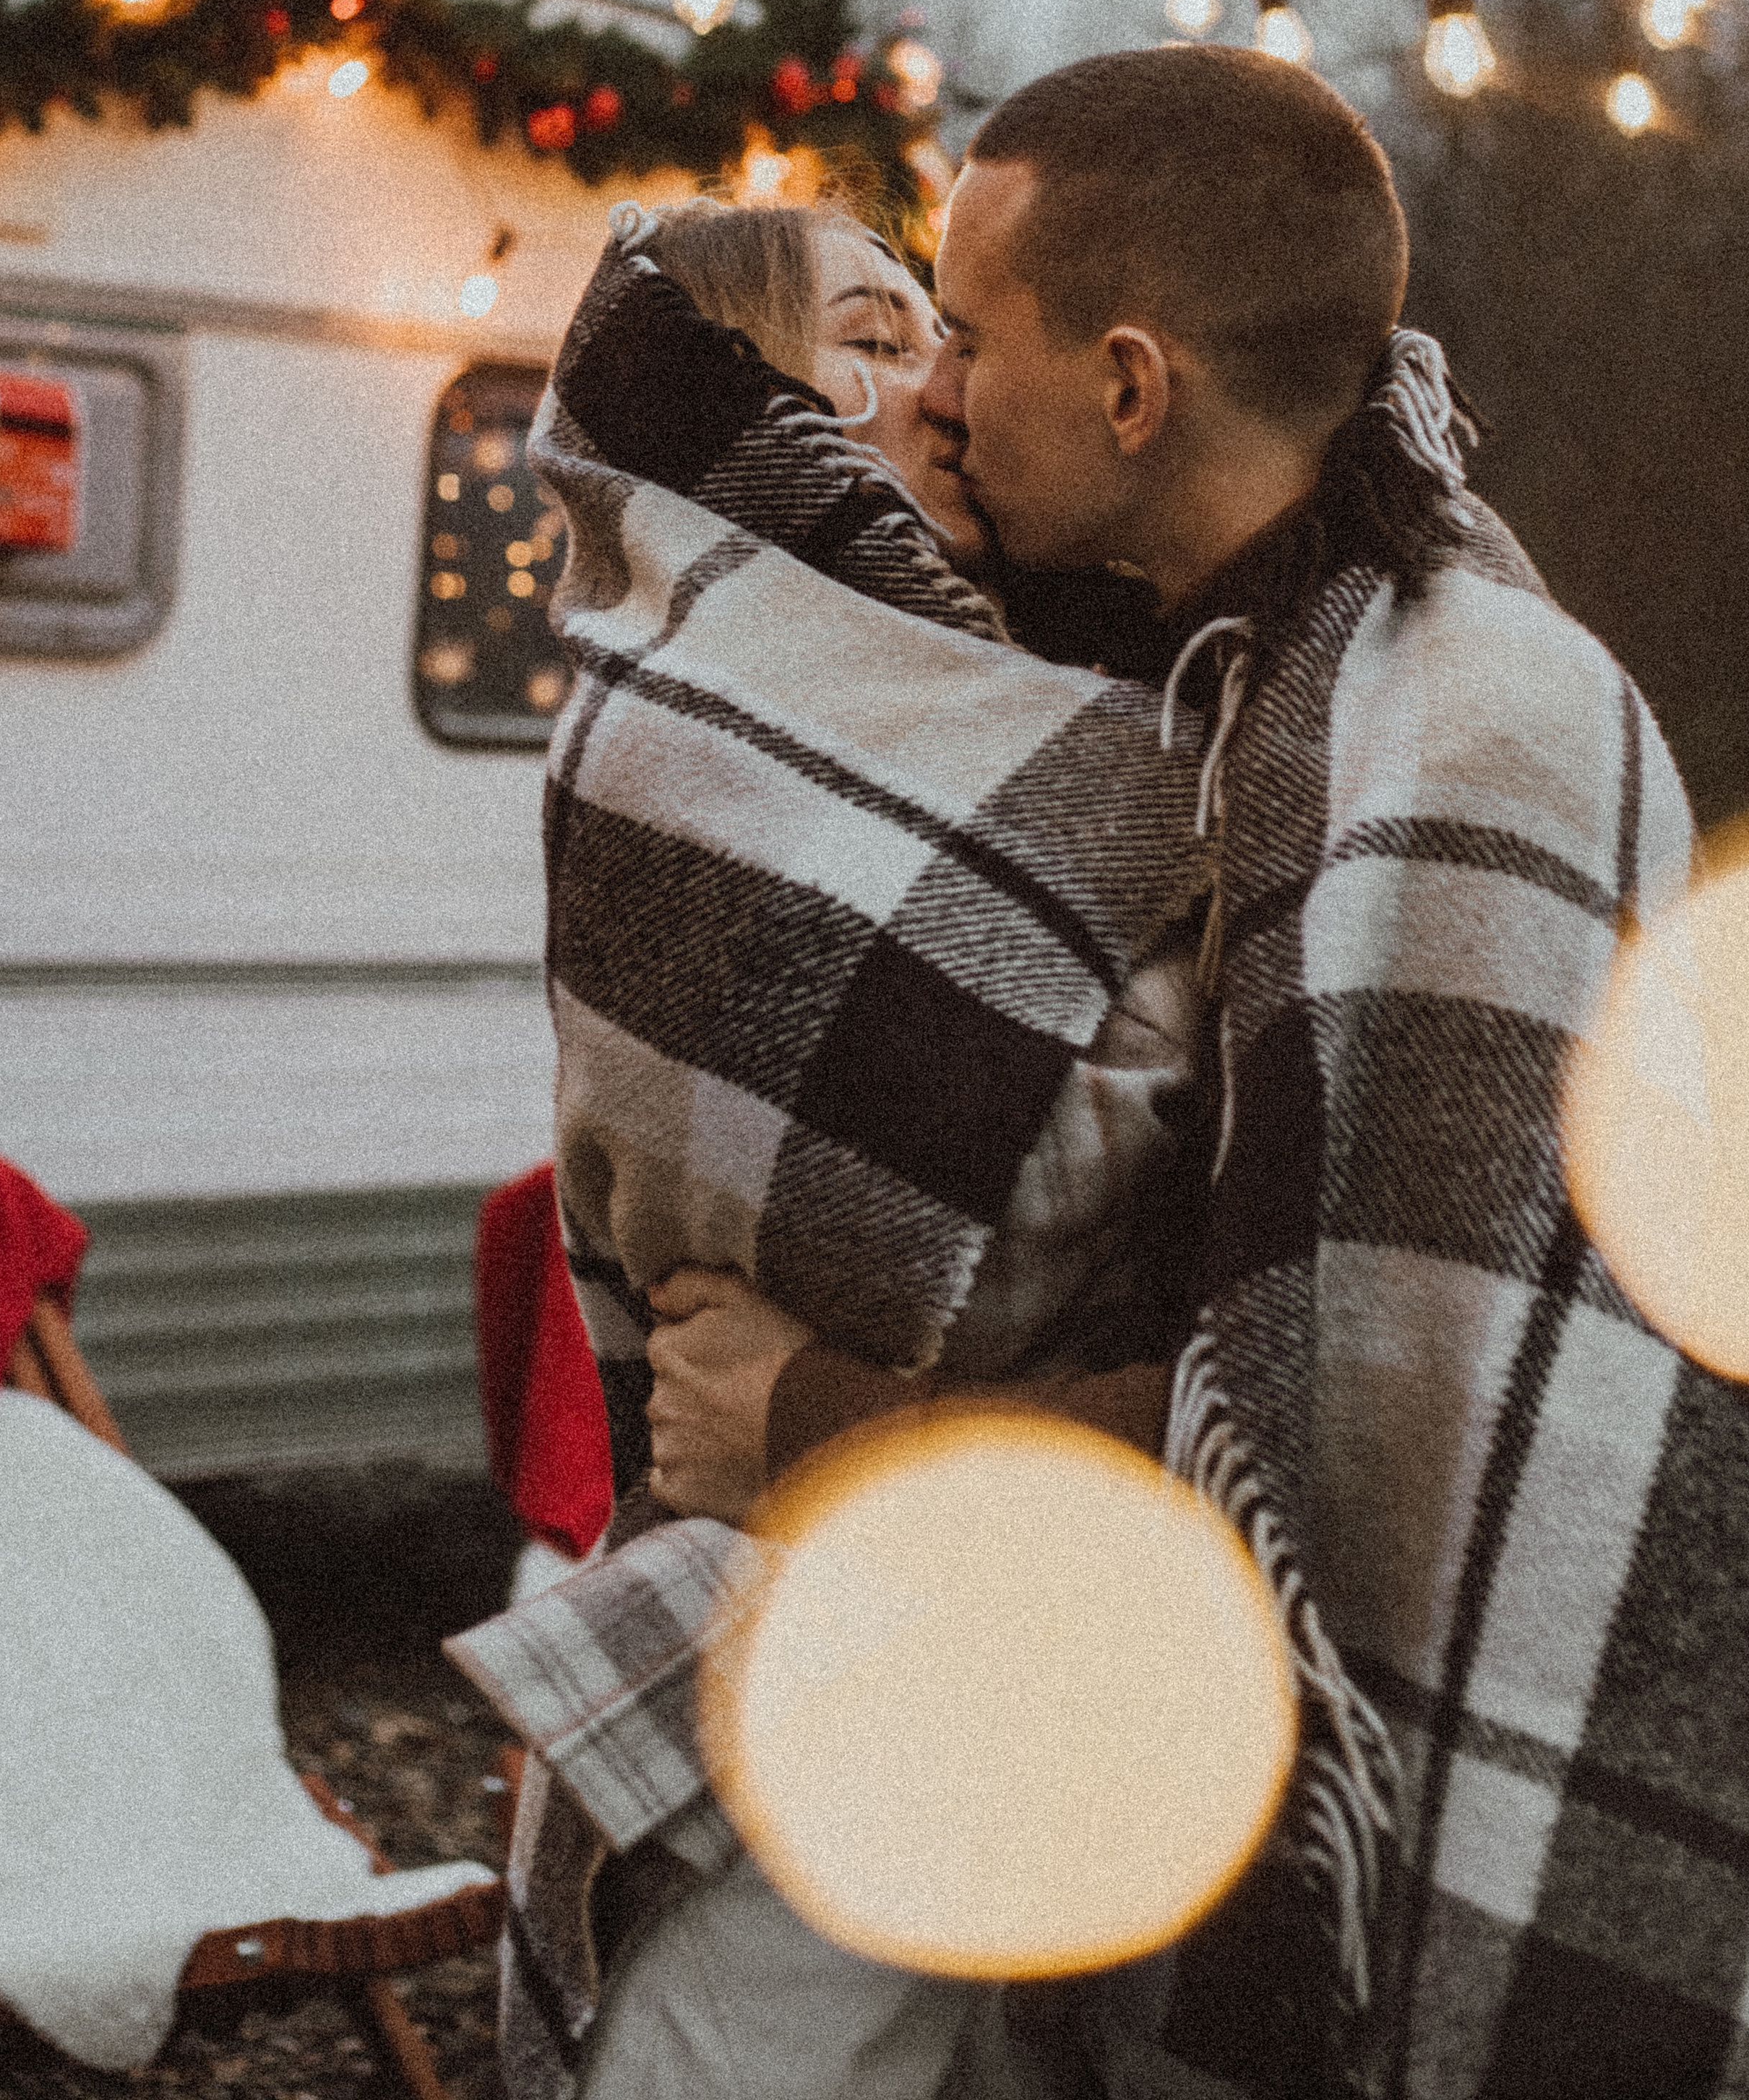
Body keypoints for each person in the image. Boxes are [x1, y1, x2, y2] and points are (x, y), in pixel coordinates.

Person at [643, 48, 1749, 2100]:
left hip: (1458, 1809)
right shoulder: (1232, 688)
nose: (945, 397)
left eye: (969, 340)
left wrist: (829, 1420)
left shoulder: (1463, 732)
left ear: (1134, 388)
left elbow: (1364, 1440)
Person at [451, 186, 1219, 2100]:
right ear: (745, 418)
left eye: (942, 338)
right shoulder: (688, 720)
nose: (945, 391)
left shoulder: (1048, 696)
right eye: (873, 344)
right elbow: (1041, 1173)